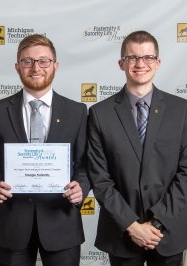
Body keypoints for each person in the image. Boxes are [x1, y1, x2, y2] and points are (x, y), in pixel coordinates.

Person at [0, 34, 90, 266]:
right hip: (12, 221)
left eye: (43, 61)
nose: (35, 68)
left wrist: (81, 187)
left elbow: (84, 164)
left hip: (61, 220)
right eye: (27, 61)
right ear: (17, 67)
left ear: (55, 66)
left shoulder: (77, 112)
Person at [87, 30, 187, 266]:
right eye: (132, 58)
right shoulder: (100, 114)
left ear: (158, 62)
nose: (140, 64)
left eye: (148, 57)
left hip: (168, 232)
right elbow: (99, 178)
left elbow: (186, 173)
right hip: (122, 233)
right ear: (121, 63)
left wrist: (157, 222)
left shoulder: (181, 110)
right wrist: (132, 225)